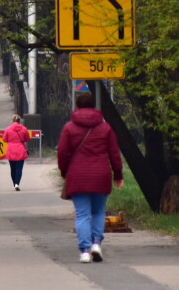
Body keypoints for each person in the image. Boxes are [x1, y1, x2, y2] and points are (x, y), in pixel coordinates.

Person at [57, 92, 123, 264]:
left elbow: (62, 152)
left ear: (77, 106)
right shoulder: (105, 128)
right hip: (101, 174)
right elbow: (114, 153)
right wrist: (118, 174)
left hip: (78, 175)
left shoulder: (69, 128)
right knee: (99, 212)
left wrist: (64, 171)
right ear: (94, 106)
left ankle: (85, 251)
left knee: (82, 214)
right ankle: (96, 243)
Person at [2, 114, 30, 191]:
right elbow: (27, 139)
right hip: (20, 150)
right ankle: (17, 183)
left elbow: (4, 139)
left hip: (11, 150)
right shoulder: (24, 129)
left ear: (13, 120)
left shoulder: (8, 129)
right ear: (19, 121)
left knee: (13, 169)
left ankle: (14, 183)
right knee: (19, 169)